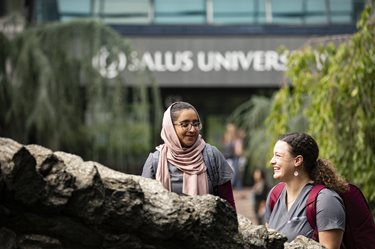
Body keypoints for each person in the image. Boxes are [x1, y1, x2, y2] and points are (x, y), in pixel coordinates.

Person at [141, 101, 236, 210]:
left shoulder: (212, 156)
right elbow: (145, 206)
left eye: (195, 124)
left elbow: (229, 205)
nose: (192, 129)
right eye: (185, 124)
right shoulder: (155, 161)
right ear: (170, 127)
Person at [264, 132, 347, 249]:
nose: (272, 161)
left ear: (297, 160)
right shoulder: (274, 194)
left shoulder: (326, 200)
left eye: (278, 156)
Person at [222, 122, 244, 190]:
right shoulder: (226, 137)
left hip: (234, 158)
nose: (230, 130)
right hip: (227, 158)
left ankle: (238, 188)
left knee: (235, 173)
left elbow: (239, 151)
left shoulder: (236, 139)